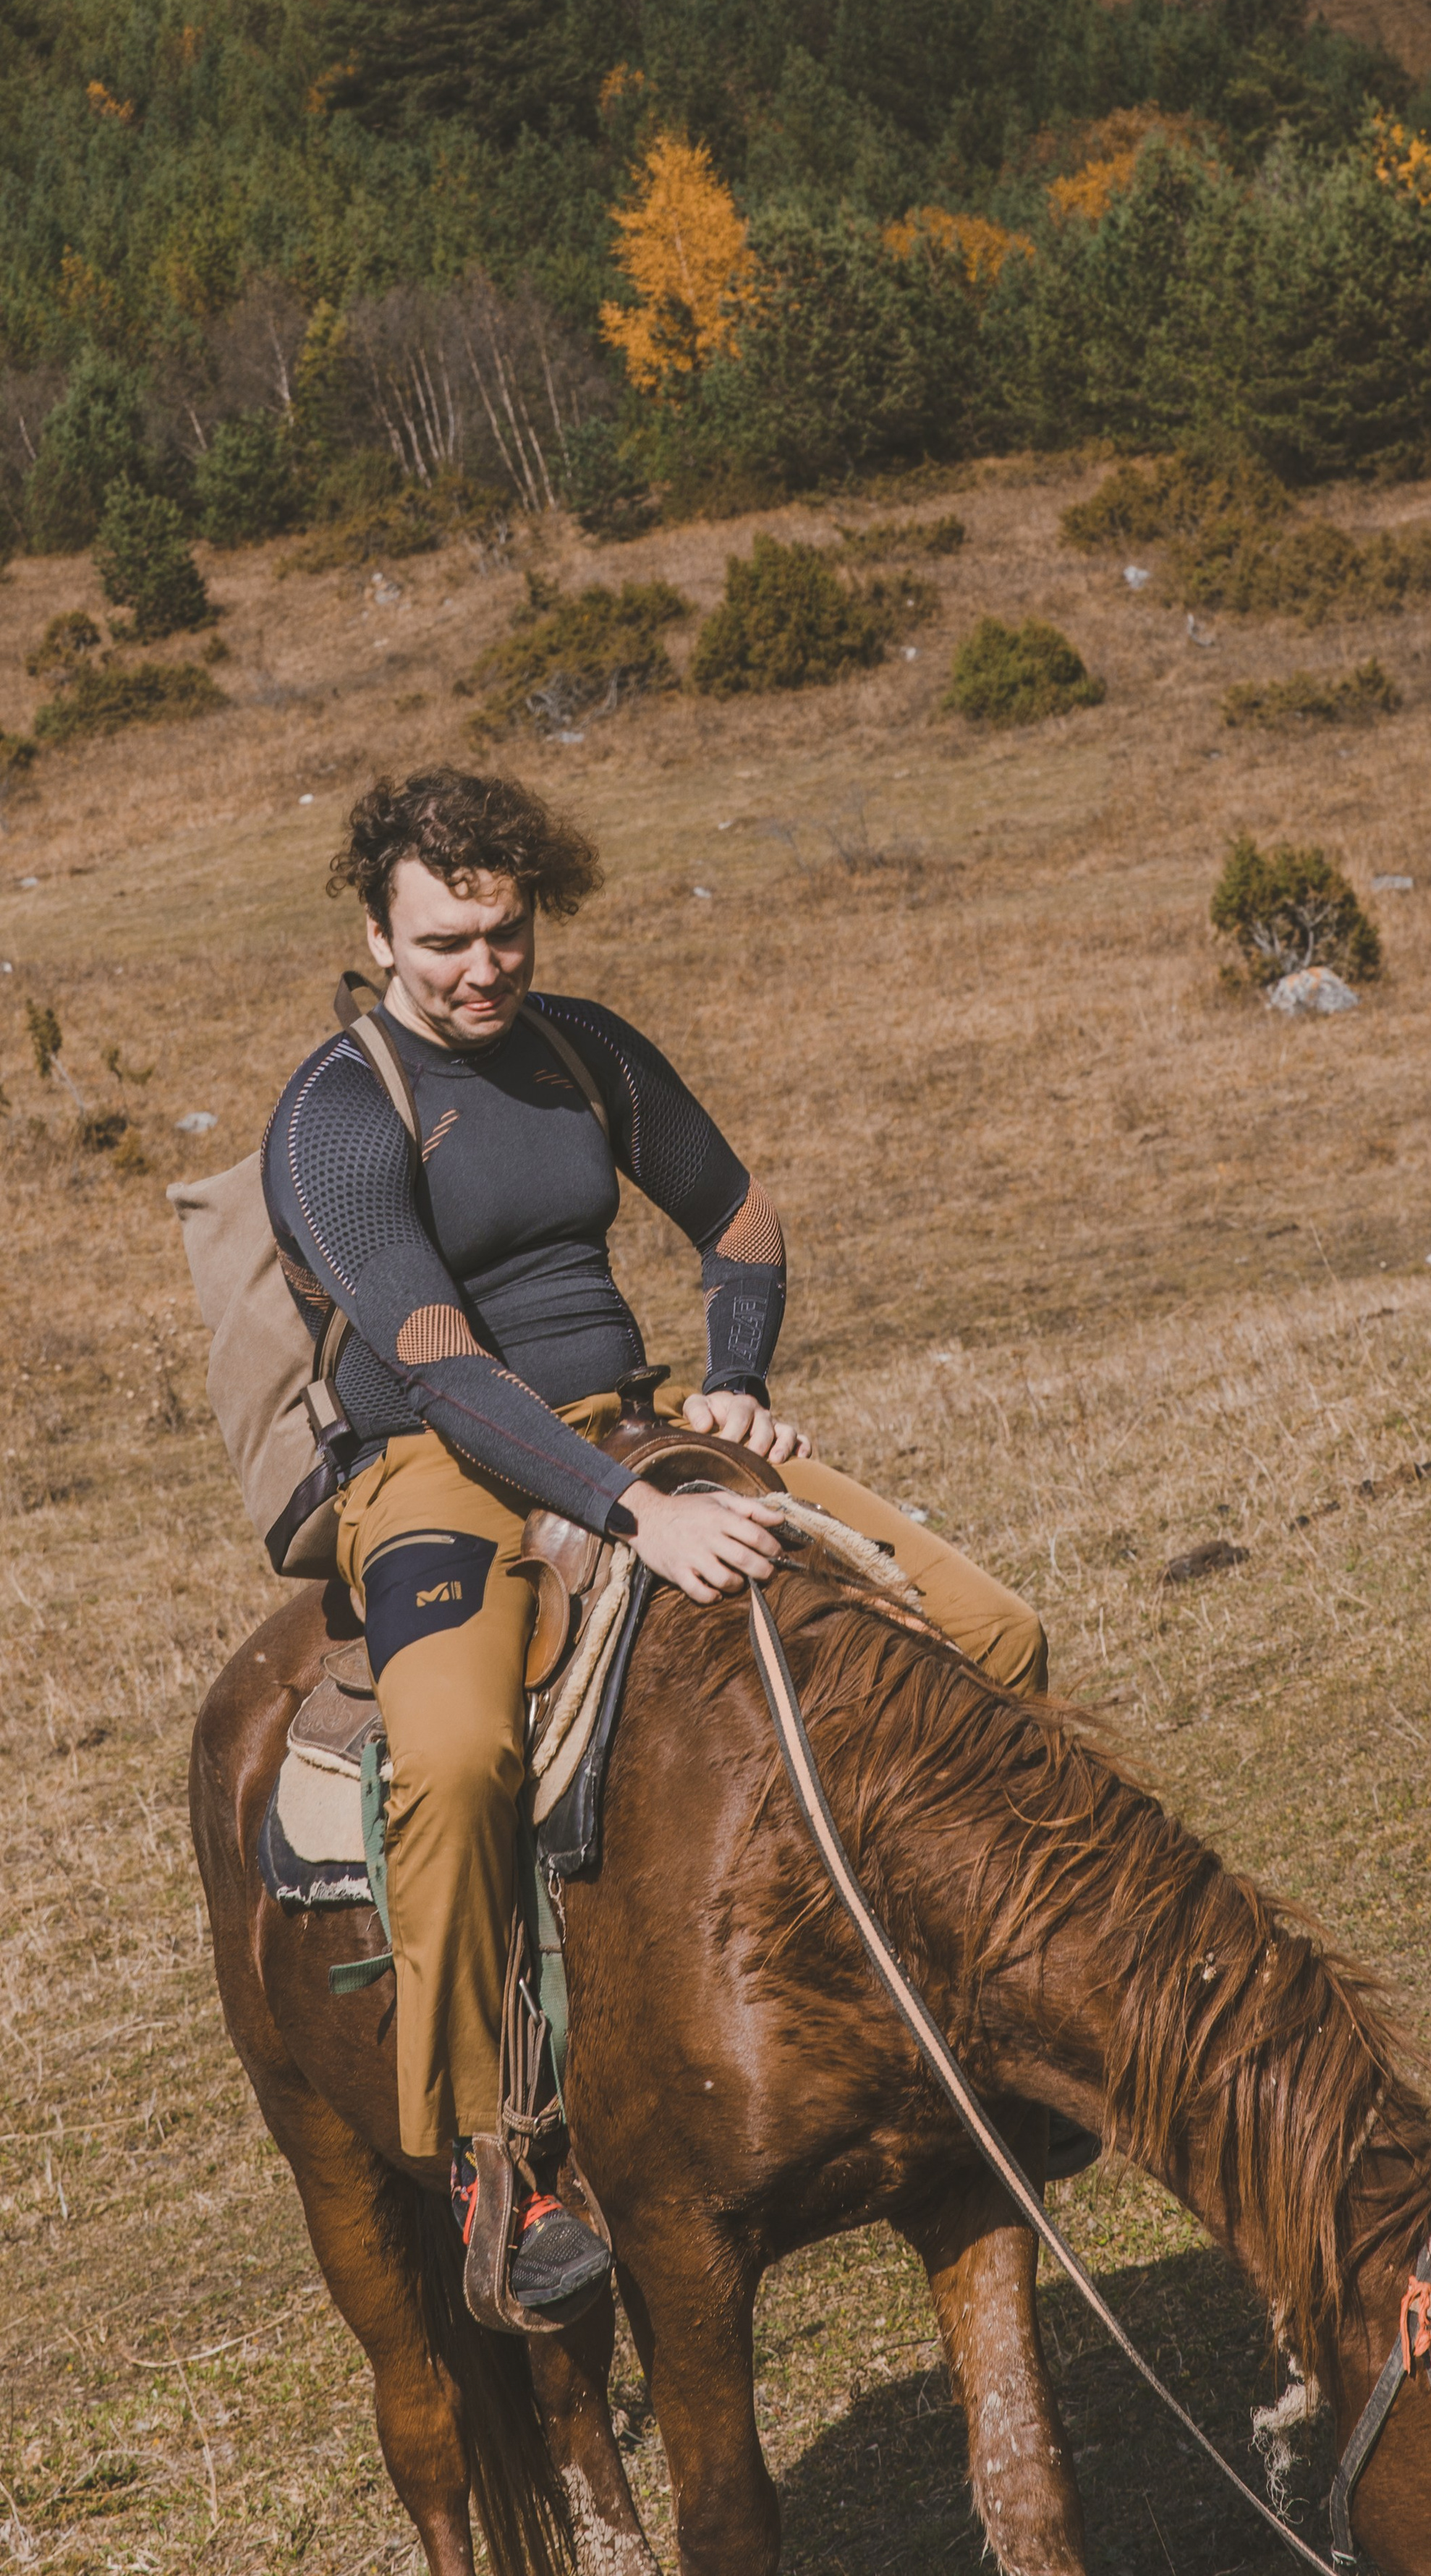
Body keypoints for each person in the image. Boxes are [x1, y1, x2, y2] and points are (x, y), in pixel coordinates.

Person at [264, 764, 1048, 2315]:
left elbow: (738, 1222)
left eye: (506, 932)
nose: (481, 969)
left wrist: (737, 1389)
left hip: (636, 1423)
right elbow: (437, 1365)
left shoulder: (583, 1050)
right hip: (440, 1468)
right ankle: (490, 2152)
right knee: (453, 1755)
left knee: (989, 1632)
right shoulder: (333, 1118)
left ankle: (986, 2018)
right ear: (376, 931)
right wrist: (636, 1511)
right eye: (442, 944)